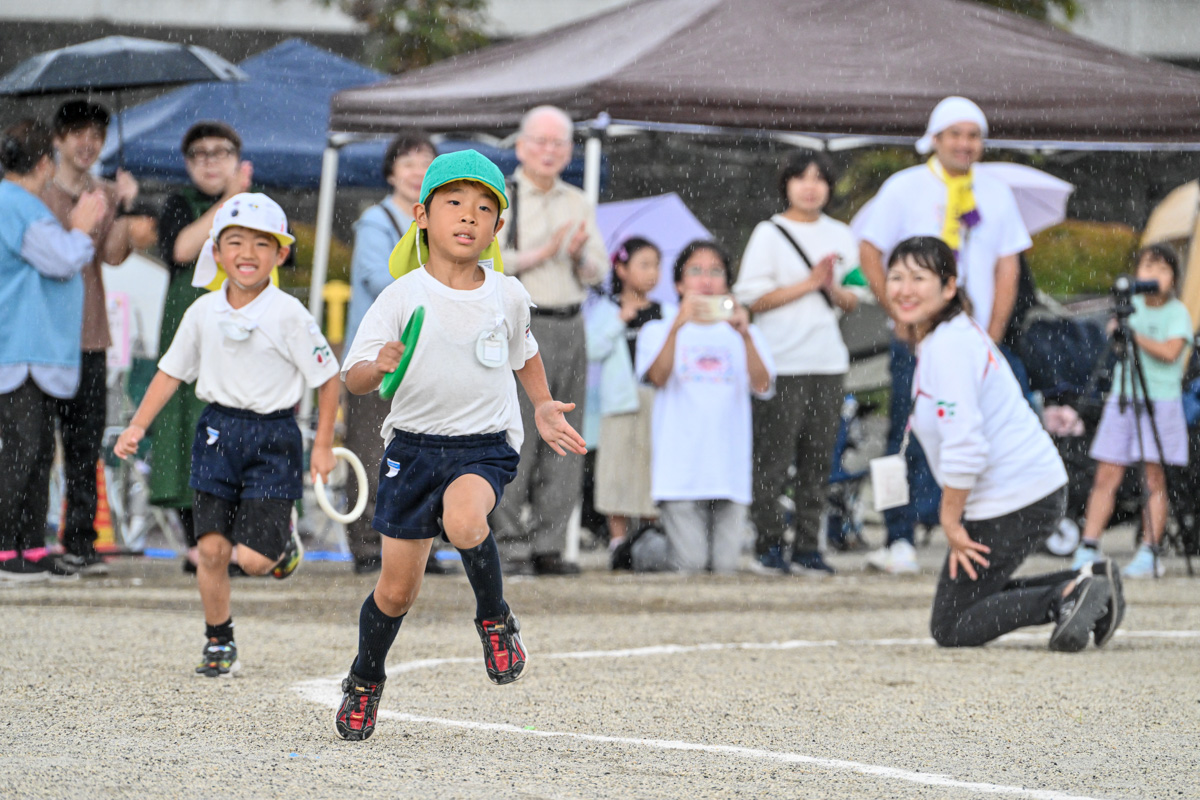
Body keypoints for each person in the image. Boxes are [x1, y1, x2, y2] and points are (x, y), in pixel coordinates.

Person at [334, 150, 586, 741]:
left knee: (466, 520)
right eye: (454, 203)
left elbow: (525, 353)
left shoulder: (508, 294)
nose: (469, 216)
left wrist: (542, 404)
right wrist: (378, 366)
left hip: (483, 445)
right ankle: (366, 677)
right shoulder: (401, 296)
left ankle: (494, 619)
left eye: (484, 209)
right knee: (396, 592)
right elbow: (355, 378)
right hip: (412, 451)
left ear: (499, 227)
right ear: (422, 216)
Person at [114, 193, 340, 677]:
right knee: (211, 550)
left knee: (255, 561)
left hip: (274, 438)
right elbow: (169, 373)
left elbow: (327, 378)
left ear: (281, 253)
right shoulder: (202, 312)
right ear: (216, 252)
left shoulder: (290, 314)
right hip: (217, 433)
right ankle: (219, 639)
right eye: (234, 242)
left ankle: (281, 543)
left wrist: (322, 444)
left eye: (262, 243)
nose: (247, 253)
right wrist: (137, 425)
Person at [887, 236, 1121, 652]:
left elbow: (966, 444)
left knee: (952, 625)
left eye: (918, 278)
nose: (905, 289)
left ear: (949, 286)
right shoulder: (945, 338)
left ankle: (1065, 597)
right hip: (1025, 490)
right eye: (896, 277)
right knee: (968, 602)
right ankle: (1084, 582)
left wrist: (950, 521)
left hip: (1014, 499)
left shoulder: (949, 347)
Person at [857, 96, 1032, 575]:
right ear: (934, 138)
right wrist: (897, 312)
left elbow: (1008, 266)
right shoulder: (905, 187)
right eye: (955, 134)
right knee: (905, 432)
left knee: (981, 431)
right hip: (918, 338)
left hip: (975, 340)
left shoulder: (995, 191)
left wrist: (993, 333)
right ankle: (898, 537)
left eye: (973, 135)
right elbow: (870, 249)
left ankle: (979, 531)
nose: (965, 144)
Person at [490, 105, 609, 576]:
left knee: (565, 432)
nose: (548, 151)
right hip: (522, 321)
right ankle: (507, 543)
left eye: (558, 143)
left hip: (572, 321)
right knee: (515, 432)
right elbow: (487, 260)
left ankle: (549, 542)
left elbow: (598, 271)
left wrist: (577, 256)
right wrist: (542, 252)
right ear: (520, 146)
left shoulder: (578, 200)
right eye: (540, 141)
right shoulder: (502, 195)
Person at [42, 100, 157, 575]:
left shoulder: (107, 191)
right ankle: (27, 541)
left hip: (90, 333)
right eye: (78, 133)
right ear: (58, 139)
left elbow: (110, 255)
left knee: (85, 444)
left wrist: (126, 208)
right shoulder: (37, 190)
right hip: (42, 333)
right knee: (35, 445)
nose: (87, 143)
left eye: (96, 135)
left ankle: (81, 541)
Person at [734, 150, 860, 577]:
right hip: (780, 361)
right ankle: (769, 543)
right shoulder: (769, 233)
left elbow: (853, 298)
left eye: (819, 178)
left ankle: (808, 546)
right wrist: (809, 283)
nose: (811, 187)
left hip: (827, 361)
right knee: (772, 458)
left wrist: (831, 289)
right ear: (786, 184)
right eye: (801, 177)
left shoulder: (841, 234)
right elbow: (753, 299)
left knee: (818, 459)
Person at [0, 119, 106, 581]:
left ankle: (31, 546)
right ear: (44, 163)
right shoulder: (16, 204)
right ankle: (7, 546)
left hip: (30, 350)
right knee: (21, 452)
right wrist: (81, 227)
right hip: (20, 348)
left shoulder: (14, 203)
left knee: (38, 451)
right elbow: (61, 259)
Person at [636, 241, 775, 574]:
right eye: (695, 271)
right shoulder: (657, 329)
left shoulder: (746, 332)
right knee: (691, 565)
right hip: (680, 471)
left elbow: (763, 385)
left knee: (725, 568)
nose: (706, 280)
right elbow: (657, 377)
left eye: (716, 271)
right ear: (679, 284)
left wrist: (745, 335)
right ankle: (639, 549)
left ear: (727, 282)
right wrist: (677, 326)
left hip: (729, 470)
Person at [154, 121, 254, 570]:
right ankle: (200, 539)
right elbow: (182, 248)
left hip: (244, 330)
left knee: (243, 424)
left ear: (238, 158)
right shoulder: (178, 203)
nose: (210, 162)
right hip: (191, 331)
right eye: (200, 154)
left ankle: (242, 539)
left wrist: (239, 200)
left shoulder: (257, 203)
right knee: (188, 428)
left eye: (220, 152)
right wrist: (228, 201)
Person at [344, 130, 438, 575]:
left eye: (425, 163)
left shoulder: (440, 220)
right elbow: (375, 277)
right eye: (408, 163)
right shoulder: (375, 219)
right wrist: (437, 286)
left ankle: (420, 547)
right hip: (378, 354)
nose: (417, 172)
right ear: (390, 172)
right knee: (369, 451)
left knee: (423, 451)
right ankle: (367, 546)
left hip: (427, 356)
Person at [1073, 244, 1193, 579]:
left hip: (1160, 402)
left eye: (1162, 269)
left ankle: (1150, 551)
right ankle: (1088, 545)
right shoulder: (1131, 307)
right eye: (1147, 267)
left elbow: (1171, 352)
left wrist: (1134, 336)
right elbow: (1116, 346)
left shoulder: (1177, 313)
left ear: (1174, 278)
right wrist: (1117, 333)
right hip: (1124, 399)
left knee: (1153, 479)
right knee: (1106, 475)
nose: (1154, 275)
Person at [590, 238, 664, 553]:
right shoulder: (607, 309)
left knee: (651, 466)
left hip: (656, 399)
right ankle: (618, 539)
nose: (652, 273)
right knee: (616, 467)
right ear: (621, 269)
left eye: (656, 265)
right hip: (619, 401)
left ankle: (650, 533)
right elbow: (591, 349)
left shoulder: (665, 311)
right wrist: (618, 321)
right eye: (644, 265)